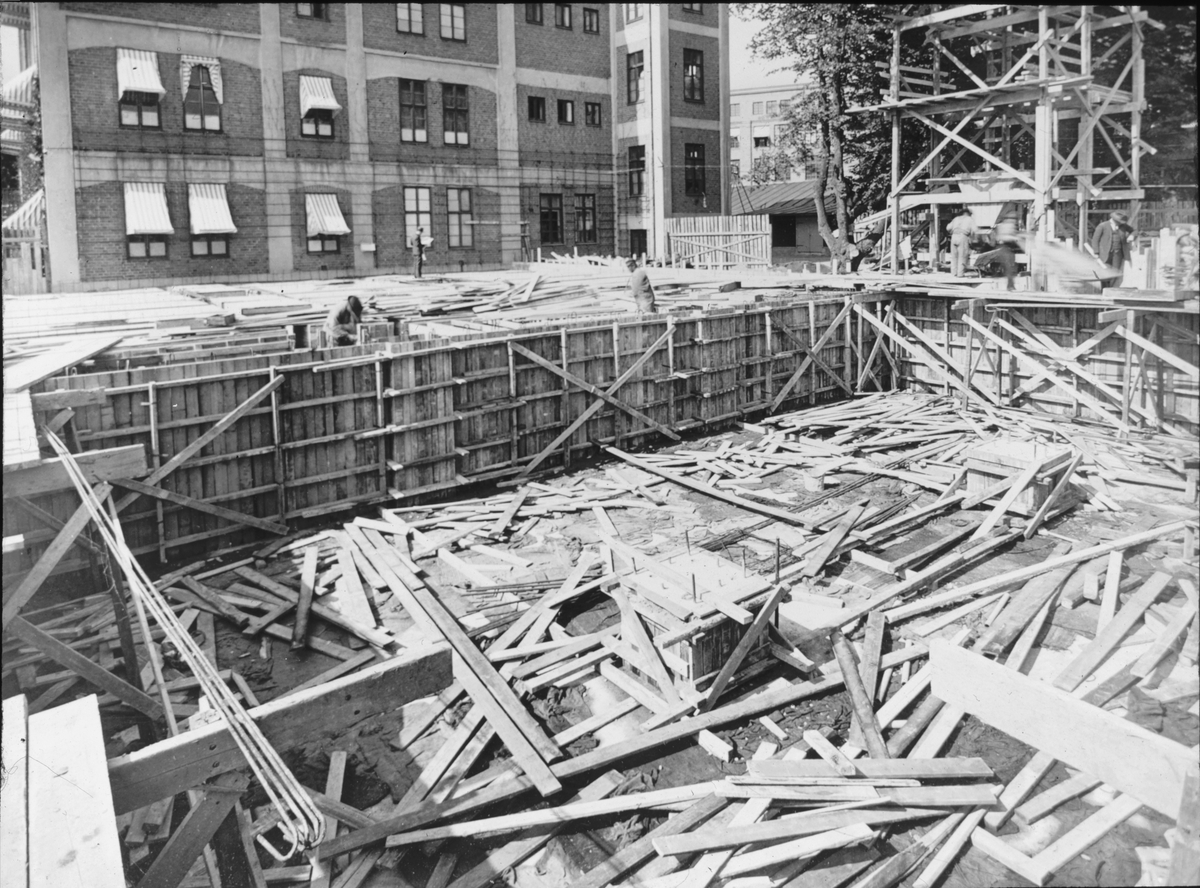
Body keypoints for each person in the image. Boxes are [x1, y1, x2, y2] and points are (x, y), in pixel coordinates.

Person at [1090, 211, 1132, 286]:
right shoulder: (1103, 226)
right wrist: (1096, 252)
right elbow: (1095, 240)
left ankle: (1111, 289)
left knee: (1115, 273)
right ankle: (1104, 289)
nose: (1121, 223)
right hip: (1105, 253)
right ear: (1114, 220)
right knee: (1104, 273)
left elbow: (1134, 231)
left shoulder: (1123, 226)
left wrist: (1132, 236)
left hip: (1117, 254)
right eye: (1119, 222)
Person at [993, 206, 1022, 291]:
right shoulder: (1008, 225)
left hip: (1005, 247)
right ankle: (1010, 286)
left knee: (1009, 267)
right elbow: (1005, 237)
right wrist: (1016, 238)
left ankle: (1010, 285)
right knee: (1009, 267)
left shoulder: (1004, 224)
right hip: (1004, 247)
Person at [947, 207, 978, 277]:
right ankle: (960, 274)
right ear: (969, 214)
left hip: (954, 236)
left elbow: (948, 227)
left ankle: (953, 273)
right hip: (963, 237)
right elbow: (975, 230)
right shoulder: (970, 219)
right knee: (962, 256)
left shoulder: (956, 218)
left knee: (954, 256)